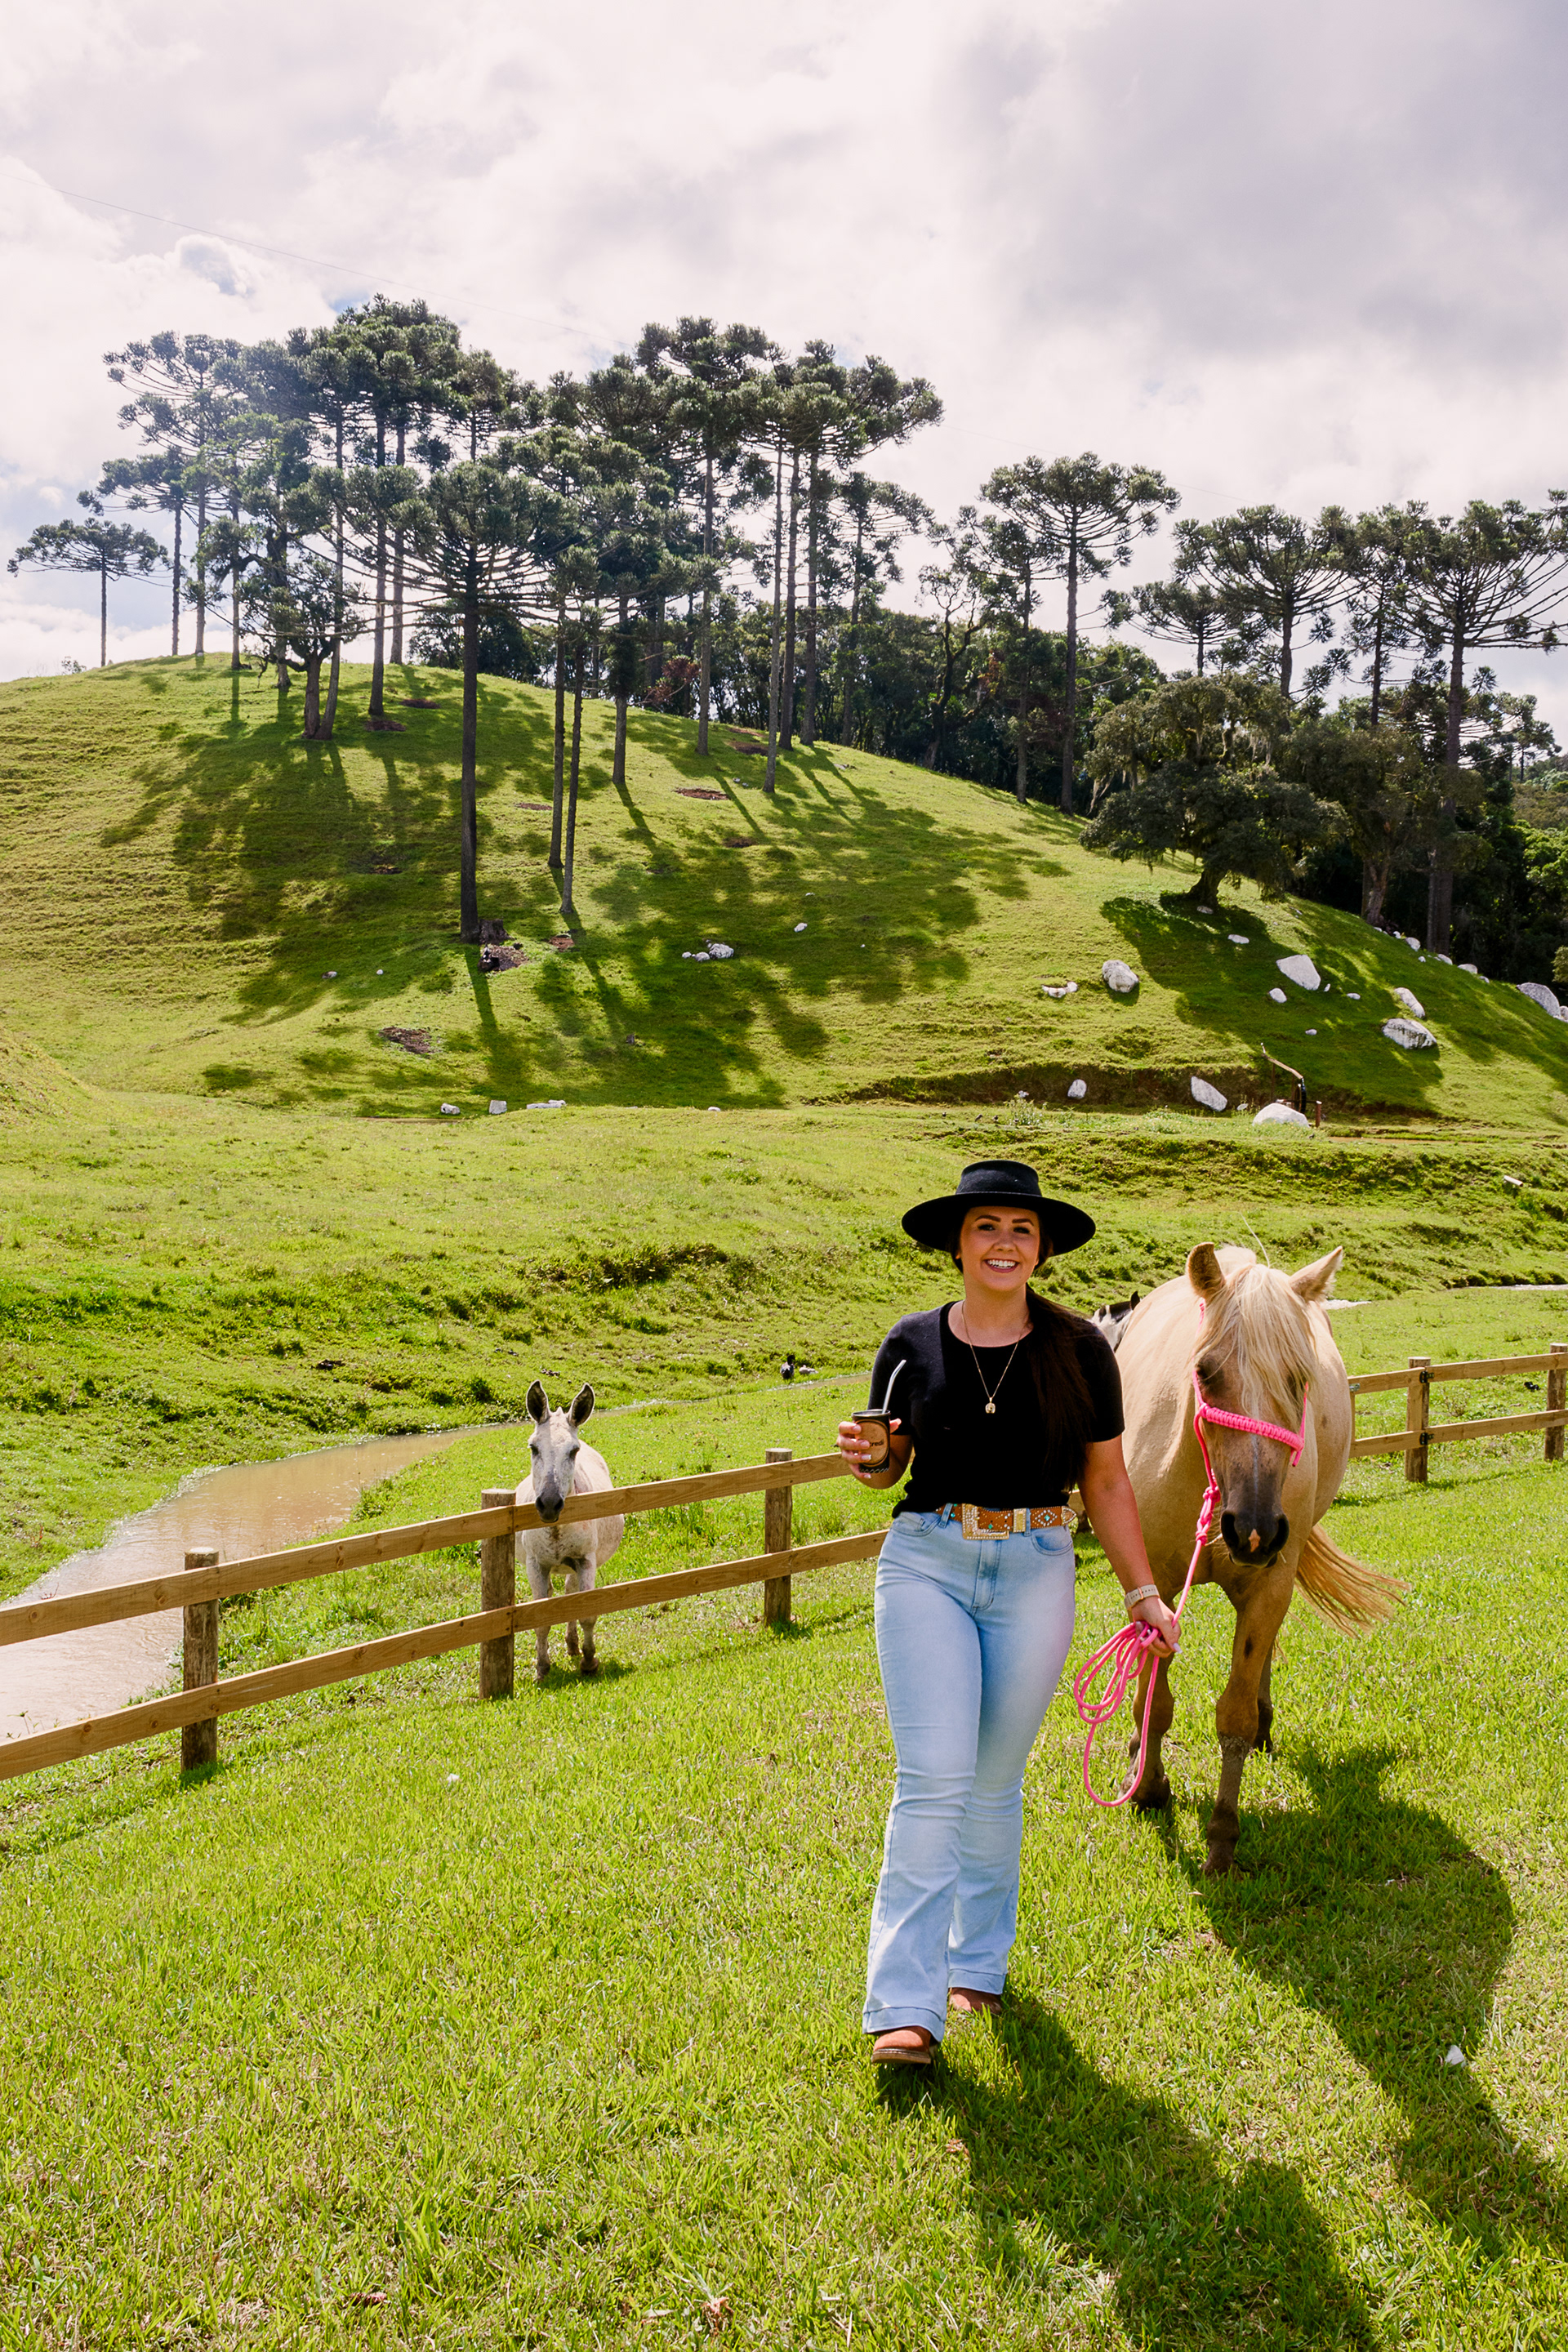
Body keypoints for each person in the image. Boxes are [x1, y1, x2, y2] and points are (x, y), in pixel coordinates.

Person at [837, 1158, 1178, 2065]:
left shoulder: (1080, 1352)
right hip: (929, 1566)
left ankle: (976, 1966)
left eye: (1022, 1230)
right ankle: (904, 2007)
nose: (1004, 1243)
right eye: (986, 1225)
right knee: (934, 1776)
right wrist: (871, 1457)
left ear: (1043, 1249)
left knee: (993, 1780)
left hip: (1037, 1566)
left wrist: (1143, 1592)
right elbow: (888, 1468)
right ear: (956, 1242)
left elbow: (1105, 1480)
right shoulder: (909, 1343)